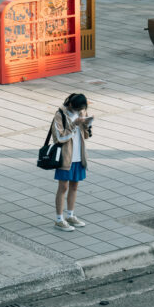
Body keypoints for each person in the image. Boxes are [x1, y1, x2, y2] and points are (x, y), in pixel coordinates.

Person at [52, 93, 92, 231]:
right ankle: (59, 219)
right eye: (76, 109)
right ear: (70, 105)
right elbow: (59, 138)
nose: (78, 111)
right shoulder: (60, 115)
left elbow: (86, 135)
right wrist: (74, 125)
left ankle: (70, 215)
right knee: (63, 187)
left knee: (74, 186)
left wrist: (87, 124)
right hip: (65, 157)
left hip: (79, 156)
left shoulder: (81, 111)